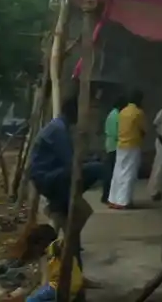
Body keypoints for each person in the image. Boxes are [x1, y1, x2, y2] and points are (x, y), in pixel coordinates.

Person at [28, 96, 103, 268]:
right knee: (98, 168)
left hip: (51, 176)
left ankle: (61, 205)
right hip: (48, 179)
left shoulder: (59, 127)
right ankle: (58, 205)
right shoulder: (58, 130)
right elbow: (71, 161)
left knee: (77, 220)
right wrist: (88, 160)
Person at [19, 224, 83, 302]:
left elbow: (44, 282)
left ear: (41, 243)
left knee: (30, 300)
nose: (35, 251)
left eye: (34, 247)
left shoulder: (53, 251)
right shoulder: (65, 252)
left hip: (57, 287)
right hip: (74, 286)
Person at [108, 90, 146, 210]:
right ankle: (123, 201)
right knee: (129, 172)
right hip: (132, 144)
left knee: (118, 172)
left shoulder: (123, 111)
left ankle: (113, 199)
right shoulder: (138, 112)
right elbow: (144, 129)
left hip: (120, 144)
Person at [101, 97, 125, 205]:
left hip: (109, 145)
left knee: (109, 172)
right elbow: (116, 133)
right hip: (114, 146)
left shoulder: (112, 114)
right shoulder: (117, 116)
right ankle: (107, 196)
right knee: (111, 173)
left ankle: (106, 195)